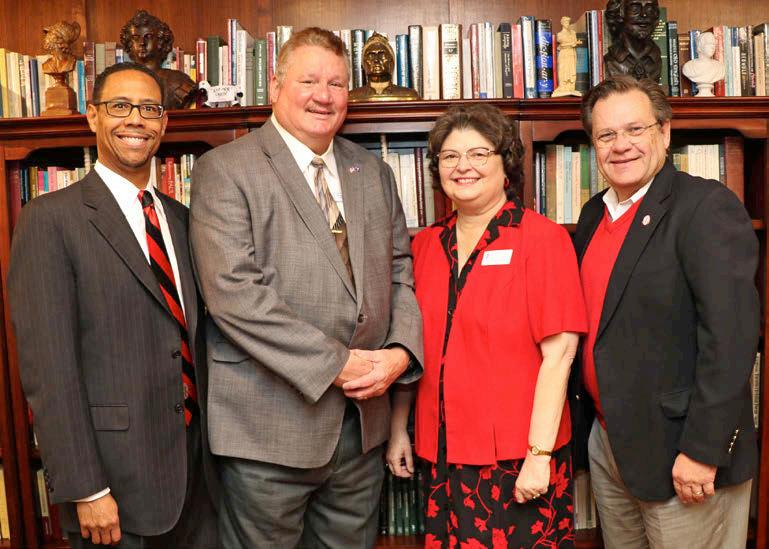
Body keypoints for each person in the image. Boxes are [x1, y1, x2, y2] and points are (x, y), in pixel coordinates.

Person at [189, 27, 423, 548]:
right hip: (266, 432)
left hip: (362, 429)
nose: (324, 95)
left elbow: (400, 271)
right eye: (309, 80)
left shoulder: (374, 172)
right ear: (275, 86)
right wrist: (339, 365)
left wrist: (400, 354)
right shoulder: (225, 170)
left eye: (336, 83)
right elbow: (234, 295)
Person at [8, 62, 217, 548]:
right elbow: (48, 371)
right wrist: (87, 488)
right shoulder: (50, 220)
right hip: (112, 488)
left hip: (197, 480)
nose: (135, 120)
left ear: (164, 122)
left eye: (149, 109)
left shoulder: (183, 220)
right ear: (92, 116)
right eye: (120, 106)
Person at [387, 103, 587, 547]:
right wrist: (399, 427)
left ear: (505, 163)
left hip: (516, 457)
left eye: (479, 154)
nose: (464, 166)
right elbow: (411, 347)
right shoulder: (424, 246)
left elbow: (560, 356)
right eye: (450, 156)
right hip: (440, 453)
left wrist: (539, 456)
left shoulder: (543, 239)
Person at [573, 76, 758, 548]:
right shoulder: (593, 215)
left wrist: (702, 450)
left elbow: (732, 338)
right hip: (611, 444)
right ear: (594, 144)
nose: (621, 145)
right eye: (607, 134)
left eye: (635, 129)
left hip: (684, 454)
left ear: (665, 131)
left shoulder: (705, 206)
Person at [119, 9, 198, 110]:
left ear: (160, 42)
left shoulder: (178, 81)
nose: (142, 42)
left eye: (148, 36)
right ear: (129, 43)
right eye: (136, 38)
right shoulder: (119, 81)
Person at [348, 33, 420, 102]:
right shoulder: (352, 96)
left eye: (382, 54)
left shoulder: (408, 95)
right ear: (363, 63)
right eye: (371, 55)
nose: (376, 60)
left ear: (391, 61)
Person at [604, 0, 662, 81]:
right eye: (635, 9)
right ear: (620, 14)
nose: (644, 14)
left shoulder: (655, 57)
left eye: (649, 9)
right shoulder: (610, 60)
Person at [682, 32, 725, 97]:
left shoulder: (720, 67)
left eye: (713, 44)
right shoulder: (688, 67)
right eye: (709, 44)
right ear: (700, 46)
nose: (712, 47)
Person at [552, 16, 582, 97]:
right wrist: (572, 43)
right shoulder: (560, 34)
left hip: (571, 53)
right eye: (565, 22)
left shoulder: (573, 33)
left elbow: (574, 42)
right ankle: (562, 86)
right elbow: (562, 44)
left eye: (568, 22)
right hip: (564, 53)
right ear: (562, 23)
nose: (567, 24)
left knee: (571, 70)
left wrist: (574, 43)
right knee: (563, 69)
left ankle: (571, 87)